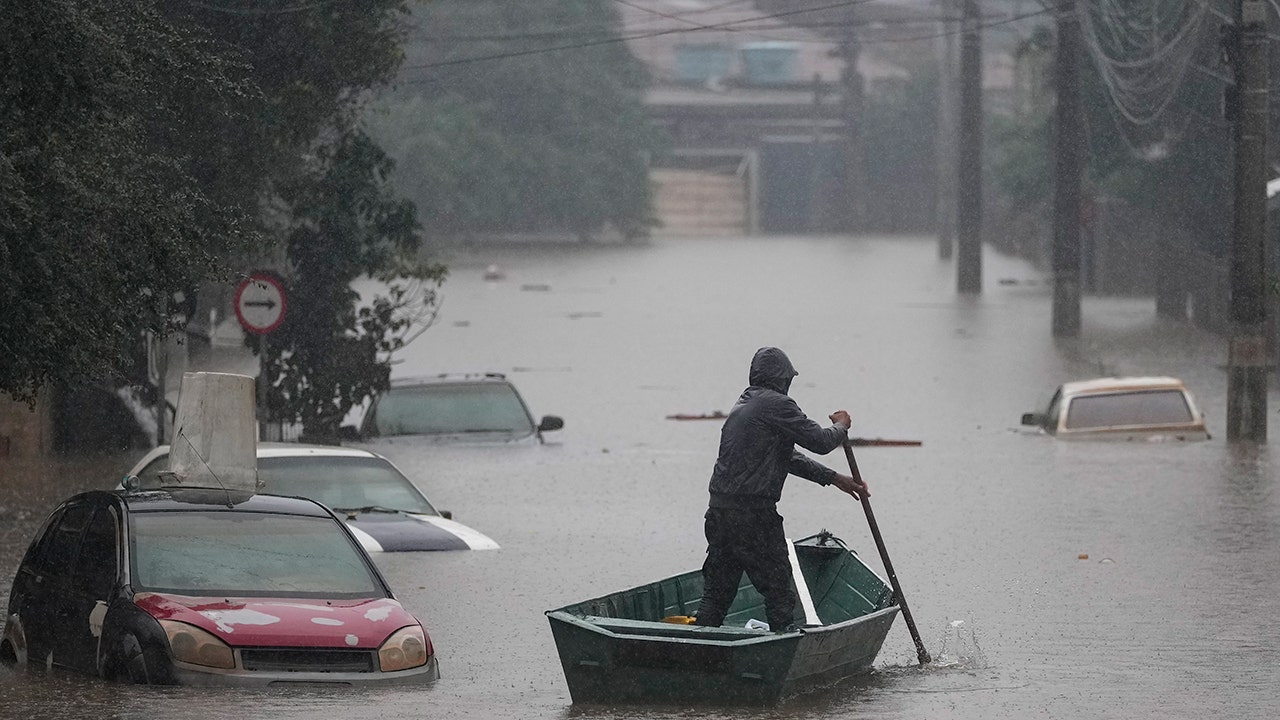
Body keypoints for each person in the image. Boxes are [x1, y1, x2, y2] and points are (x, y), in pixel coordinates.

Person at [693, 346, 868, 632]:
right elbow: (822, 442)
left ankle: (695, 652)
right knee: (779, 593)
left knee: (716, 595)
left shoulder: (744, 405)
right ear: (781, 378)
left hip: (720, 513)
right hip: (753, 517)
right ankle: (782, 652)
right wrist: (841, 426)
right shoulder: (778, 405)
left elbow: (786, 457)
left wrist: (835, 478)